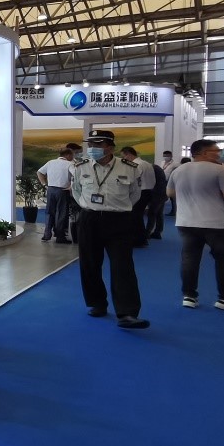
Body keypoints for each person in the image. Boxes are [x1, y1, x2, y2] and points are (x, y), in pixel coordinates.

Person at [70, 129, 149, 328]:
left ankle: (127, 313)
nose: (93, 148)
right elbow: (76, 191)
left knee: (123, 266)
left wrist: (116, 208)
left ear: (111, 147)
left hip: (119, 220)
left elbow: (135, 194)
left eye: (98, 144)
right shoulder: (80, 167)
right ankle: (97, 303)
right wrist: (89, 207)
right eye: (91, 144)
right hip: (89, 219)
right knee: (89, 264)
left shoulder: (130, 168)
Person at [167, 139, 224, 311]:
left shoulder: (179, 169)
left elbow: (170, 193)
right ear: (204, 153)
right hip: (215, 223)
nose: (220, 153)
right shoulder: (220, 169)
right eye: (216, 150)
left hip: (186, 222)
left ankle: (189, 296)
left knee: (189, 259)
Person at [37, 148, 73, 243]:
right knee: (61, 214)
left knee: (49, 212)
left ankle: (47, 235)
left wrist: (44, 184)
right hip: (63, 190)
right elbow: (76, 175)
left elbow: (39, 172)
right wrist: (71, 186)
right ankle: (60, 236)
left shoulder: (50, 162)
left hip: (51, 189)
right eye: (72, 155)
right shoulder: (69, 164)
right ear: (68, 155)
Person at [120, 146, 154, 247]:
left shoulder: (136, 165)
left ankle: (138, 240)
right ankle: (141, 239)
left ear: (129, 154)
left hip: (140, 192)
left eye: (124, 156)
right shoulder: (147, 163)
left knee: (135, 216)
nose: (124, 159)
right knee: (138, 216)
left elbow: (133, 180)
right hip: (148, 191)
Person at [145, 156, 168, 240]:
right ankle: (158, 232)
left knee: (151, 213)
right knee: (159, 214)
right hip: (162, 194)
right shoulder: (157, 168)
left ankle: (147, 233)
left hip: (156, 195)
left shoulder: (152, 169)